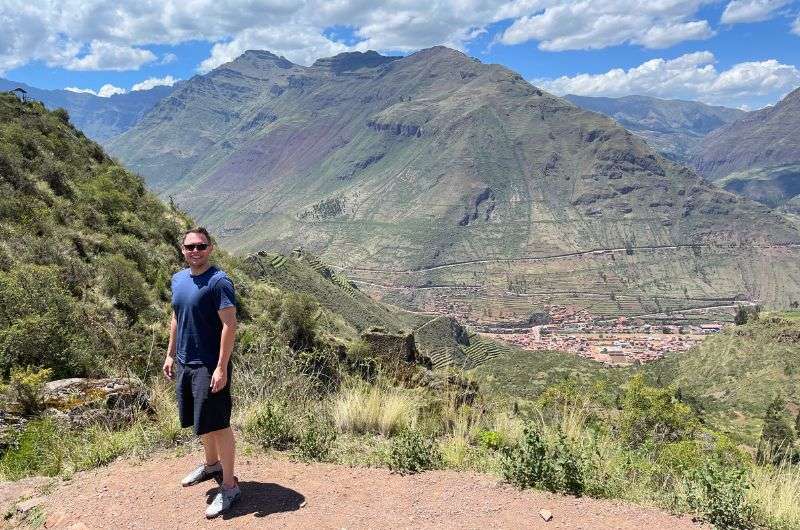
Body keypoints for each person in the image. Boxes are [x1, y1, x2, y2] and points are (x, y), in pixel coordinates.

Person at [162, 227, 240, 519]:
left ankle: (230, 486)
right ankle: (211, 466)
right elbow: (176, 316)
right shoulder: (178, 279)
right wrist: (171, 354)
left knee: (219, 423)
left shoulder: (219, 282)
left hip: (209, 365)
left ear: (210, 248)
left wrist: (221, 367)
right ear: (182, 249)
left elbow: (229, 326)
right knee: (201, 420)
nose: (195, 251)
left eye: (201, 246)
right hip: (185, 362)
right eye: (190, 246)